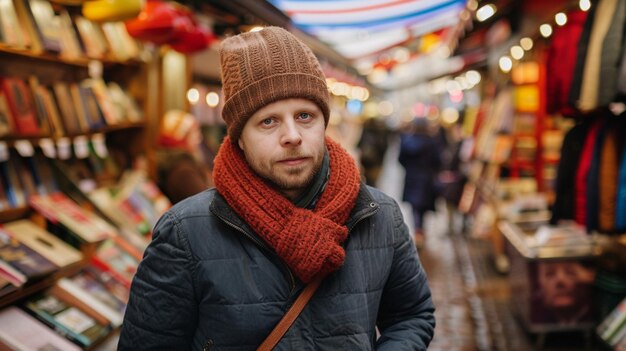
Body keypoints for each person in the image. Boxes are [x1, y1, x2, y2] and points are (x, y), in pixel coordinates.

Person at [118, 26, 435, 350]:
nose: (292, 135)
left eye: (305, 116)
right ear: (239, 137)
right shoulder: (185, 233)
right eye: (268, 121)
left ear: (324, 122)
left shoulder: (377, 216)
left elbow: (412, 315)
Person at [398, 118, 442, 248]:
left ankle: (418, 231)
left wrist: (409, 168)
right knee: (423, 206)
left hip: (411, 177)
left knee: (414, 206)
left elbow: (401, 159)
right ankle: (420, 230)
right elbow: (438, 160)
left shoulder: (406, 140)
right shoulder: (432, 142)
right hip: (426, 178)